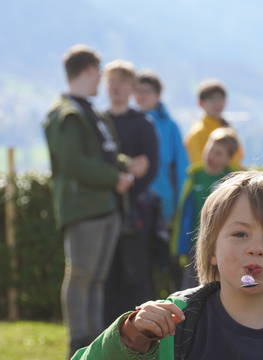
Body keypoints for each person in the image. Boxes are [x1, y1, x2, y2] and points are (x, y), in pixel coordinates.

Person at [72, 171, 263, 359]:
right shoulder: (166, 328)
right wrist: (129, 339)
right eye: (239, 234)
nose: (255, 248)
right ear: (211, 250)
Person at [43, 45, 143, 357]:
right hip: (84, 210)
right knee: (81, 275)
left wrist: (125, 165)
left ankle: (91, 342)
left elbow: (104, 153)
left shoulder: (89, 112)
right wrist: (116, 178)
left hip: (106, 208)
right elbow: (74, 163)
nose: (101, 79)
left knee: (96, 279)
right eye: (98, 72)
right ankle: (78, 340)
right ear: (87, 71)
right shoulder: (66, 114)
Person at [102, 60, 160, 324]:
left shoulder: (143, 123)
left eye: (122, 82)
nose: (116, 88)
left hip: (136, 211)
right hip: (103, 208)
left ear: (131, 87)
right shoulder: (99, 123)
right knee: (107, 272)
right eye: (111, 82)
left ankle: (140, 329)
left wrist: (129, 185)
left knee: (136, 271)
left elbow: (150, 165)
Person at [172, 128, 240, 288]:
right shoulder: (194, 176)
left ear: (228, 159)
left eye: (218, 153)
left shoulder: (231, 181)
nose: (211, 156)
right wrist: (180, 245)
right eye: (210, 149)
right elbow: (184, 214)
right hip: (194, 244)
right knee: (190, 286)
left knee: (216, 285)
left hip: (219, 245)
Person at [135, 71, 189, 225]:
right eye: (138, 91)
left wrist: (180, 205)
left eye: (147, 91)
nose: (142, 95)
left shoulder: (170, 127)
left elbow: (180, 167)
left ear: (158, 95)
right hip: (135, 200)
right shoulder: (128, 122)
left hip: (164, 200)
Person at [184, 79, 244, 168]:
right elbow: (198, 166)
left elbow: (238, 158)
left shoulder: (229, 129)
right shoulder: (196, 134)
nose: (217, 103)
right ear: (200, 103)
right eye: (212, 99)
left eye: (220, 98)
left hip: (232, 179)